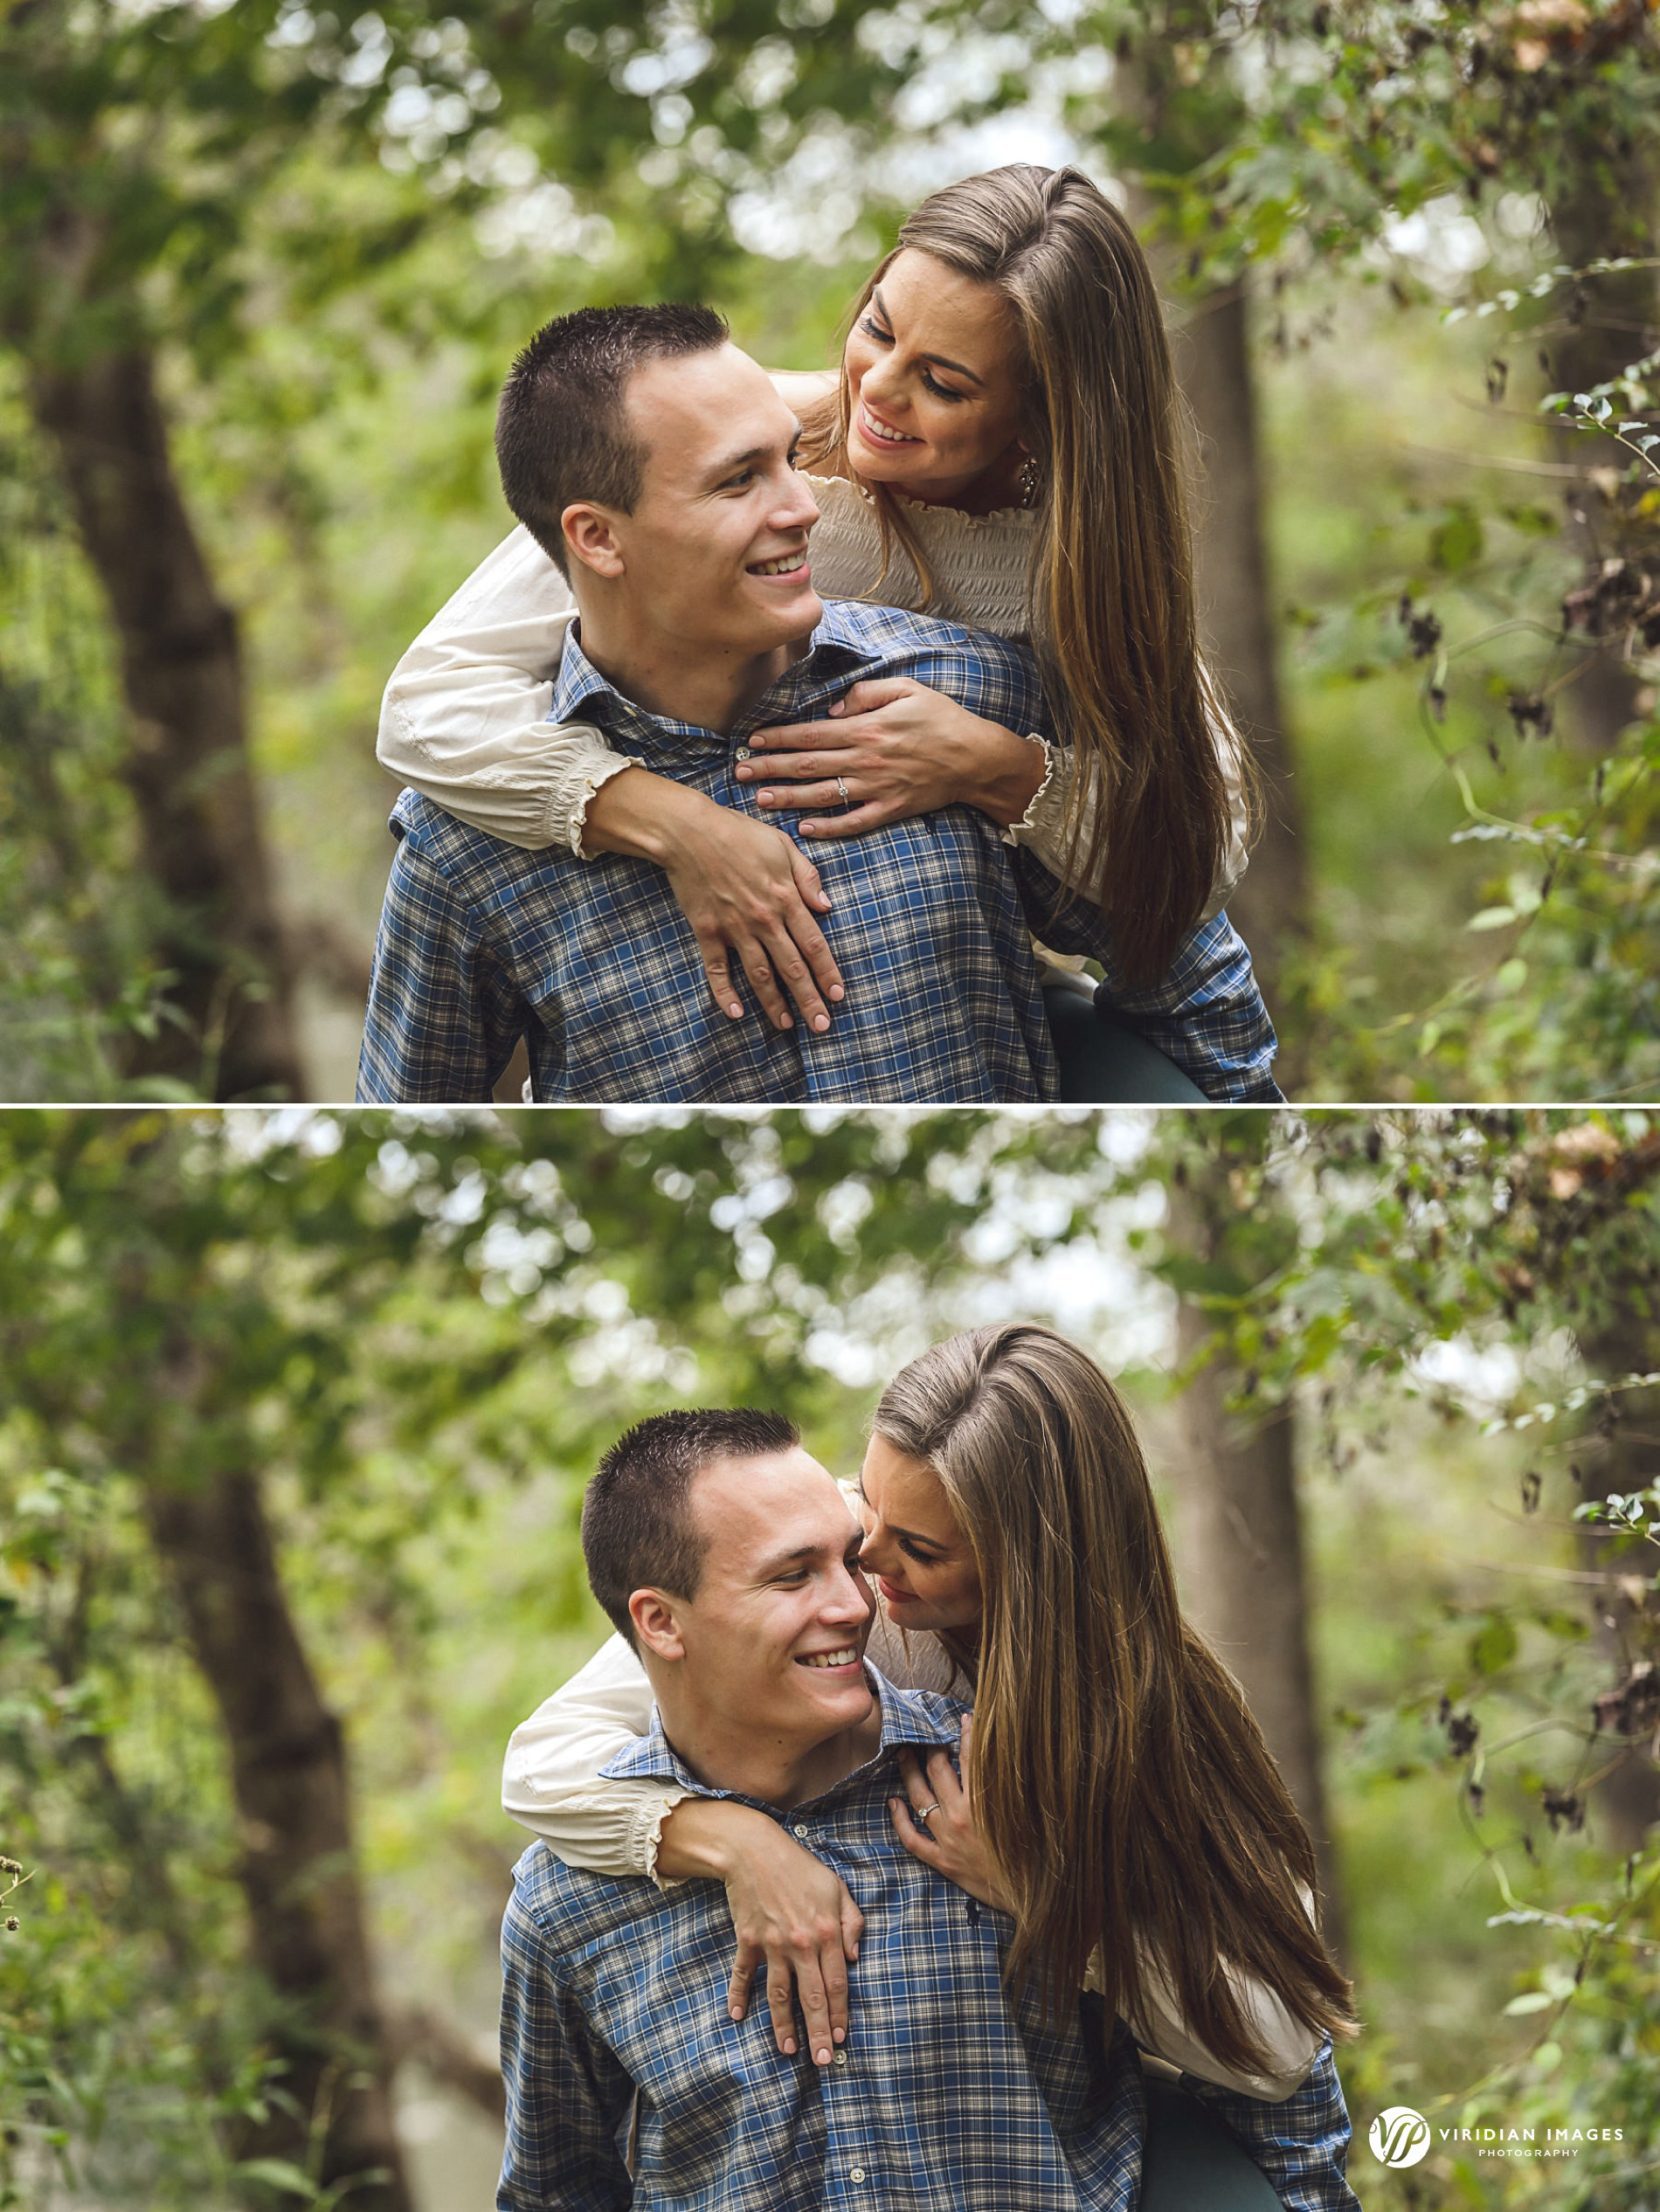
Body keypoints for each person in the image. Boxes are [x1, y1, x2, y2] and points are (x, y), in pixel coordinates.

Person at [375, 163, 1261, 1092]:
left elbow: (1203, 848)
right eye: (877, 327)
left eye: (945, 384)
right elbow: (433, 701)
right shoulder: (744, 445)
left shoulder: (1071, 563)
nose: (876, 389)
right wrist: (682, 825)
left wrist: (993, 769)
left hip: (990, 985)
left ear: (1045, 418)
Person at [502, 1331, 1363, 2210]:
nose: (864, 1576)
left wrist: (1044, 1895)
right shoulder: (821, 1555)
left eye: (912, 1546)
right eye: (862, 1513)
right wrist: (735, 1842)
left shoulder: (1135, 1727)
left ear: (1025, 1574)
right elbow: (542, 1763)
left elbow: (1282, 2045)